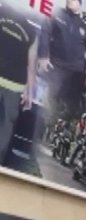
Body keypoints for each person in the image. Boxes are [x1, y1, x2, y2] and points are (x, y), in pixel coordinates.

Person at [36, 0, 86, 119]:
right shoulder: (57, 14)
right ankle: (43, 128)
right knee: (49, 105)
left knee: (69, 109)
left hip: (75, 75)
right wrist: (43, 56)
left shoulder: (84, 27)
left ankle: (62, 131)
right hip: (56, 68)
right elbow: (45, 32)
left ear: (79, 4)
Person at [0, 1, 39, 166]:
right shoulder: (32, 31)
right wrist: (29, 93)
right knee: (5, 128)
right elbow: (31, 65)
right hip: (15, 85)